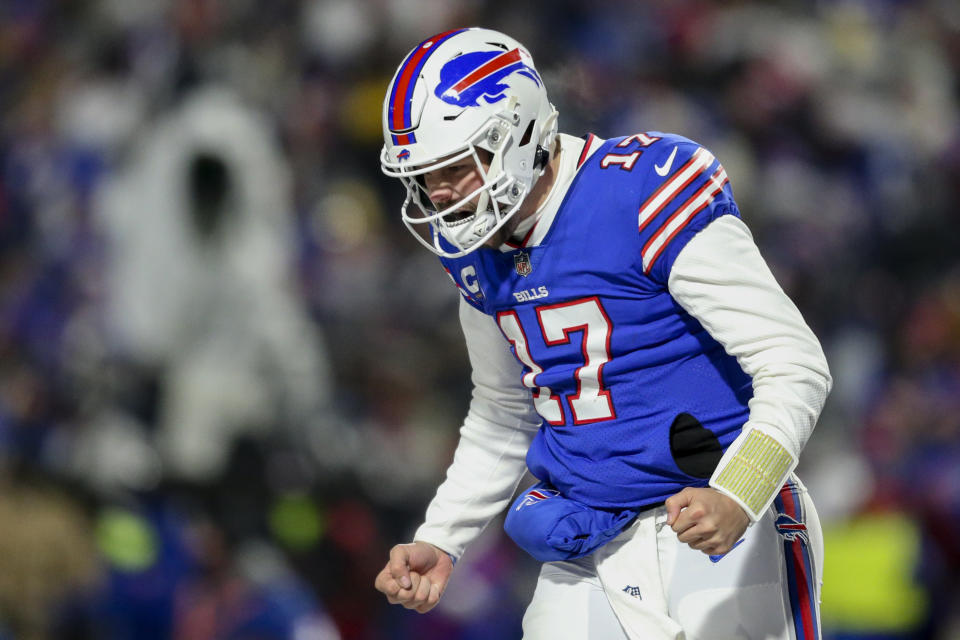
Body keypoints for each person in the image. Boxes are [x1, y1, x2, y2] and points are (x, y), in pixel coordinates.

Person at [373, 27, 831, 640]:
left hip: (717, 519)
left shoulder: (641, 187)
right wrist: (442, 537)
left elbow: (794, 362)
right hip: (588, 542)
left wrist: (739, 493)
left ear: (519, 133)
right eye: (426, 176)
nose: (439, 194)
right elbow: (506, 411)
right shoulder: (472, 250)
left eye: (456, 167)